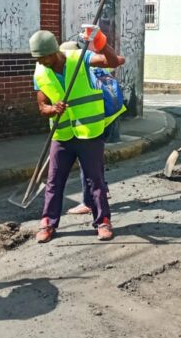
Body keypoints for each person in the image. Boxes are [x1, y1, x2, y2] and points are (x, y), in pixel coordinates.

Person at [30, 29, 123, 243]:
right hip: (62, 135)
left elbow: (113, 61)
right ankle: (48, 222)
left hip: (89, 133)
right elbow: (42, 106)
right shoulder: (40, 72)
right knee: (54, 181)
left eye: (42, 57)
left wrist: (100, 41)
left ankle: (103, 222)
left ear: (53, 52)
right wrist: (52, 109)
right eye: (37, 58)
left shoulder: (79, 57)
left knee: (96, 181)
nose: (40, 62)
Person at [58, 40, 125, 216]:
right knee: (95, 162)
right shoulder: (98, 67)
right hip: (110, 117)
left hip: (94, 121)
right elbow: (118, 60)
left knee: (87, 164)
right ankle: (104, 189)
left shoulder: (81, 71)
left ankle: (88, 202)